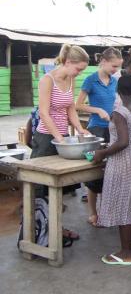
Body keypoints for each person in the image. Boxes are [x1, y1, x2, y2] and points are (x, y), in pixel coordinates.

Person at [94, 75, 131, 266]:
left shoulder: (120, 112)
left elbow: (122, 141)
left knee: (123, 205)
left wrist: (102, 152)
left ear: (118, 92)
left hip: (121, 161)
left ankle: (125, 252)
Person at [32, 44, 90, 239]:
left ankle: (56, 229)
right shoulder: (47, 81)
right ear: (67, 62)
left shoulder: (70, 80)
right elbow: (44, 113)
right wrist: (59, 138)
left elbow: (70, 108)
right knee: (40, 189)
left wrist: (80, 129)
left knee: (58, 188)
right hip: (46, 139)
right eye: (78, 69)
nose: (79, 73)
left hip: (62, 138)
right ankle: (39, 231)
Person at [76, 47, 123, 227]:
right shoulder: (90, 80)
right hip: (96, 129)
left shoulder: (114, 81)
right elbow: (77, 105)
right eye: (113, 66)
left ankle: (108, 211)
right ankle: (93, 213)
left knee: (111, 171)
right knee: (94, 172)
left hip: (112, 129)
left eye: (118, 67)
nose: (115, 70)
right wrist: (97, 110)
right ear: (103, 62)